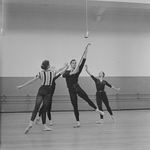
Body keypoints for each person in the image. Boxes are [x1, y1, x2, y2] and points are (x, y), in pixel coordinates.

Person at [17, 60, 68, 134]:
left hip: (41, 90)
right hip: (48, 91)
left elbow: (32, 81)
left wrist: (22, 86)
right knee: (44, 109)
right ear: (48, 66)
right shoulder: (52, 73)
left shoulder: (41, 73)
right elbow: (60, 72)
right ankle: (44, 126)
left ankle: (30, 123)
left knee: (36, 107)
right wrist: (66, 67)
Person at [62, 44, 104, 128]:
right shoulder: (67, 72)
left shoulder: (77, 71)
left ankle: (97, 110)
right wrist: (71, 73)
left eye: (75, 63)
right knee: (75, 106)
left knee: (87, 98)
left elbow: (83, 61)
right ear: (70, 64)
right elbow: (64, 75)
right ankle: (78, 122)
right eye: (72, 63)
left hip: (77, 87)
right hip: (71, 90)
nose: (74, 64)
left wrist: (86, 51)